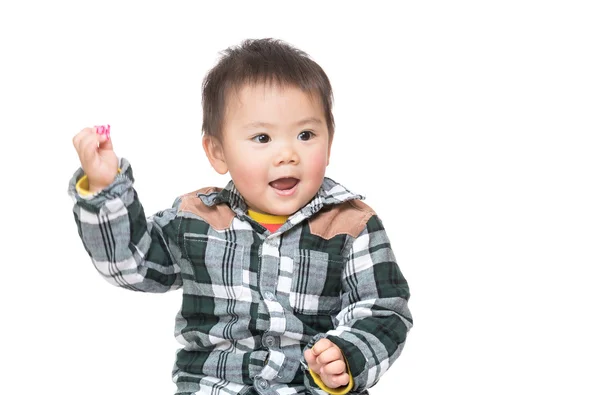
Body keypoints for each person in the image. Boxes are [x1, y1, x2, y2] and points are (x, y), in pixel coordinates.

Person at [68, 38, 412, 395]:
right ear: (218, 152)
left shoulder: (352, 225)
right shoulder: (196, 219)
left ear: (330, 140)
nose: (287, 153)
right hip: (216, 386)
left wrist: (348, 355)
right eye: (262, 137)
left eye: (306, 134)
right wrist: (106, 188)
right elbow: (131, 263)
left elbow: (385, 310)